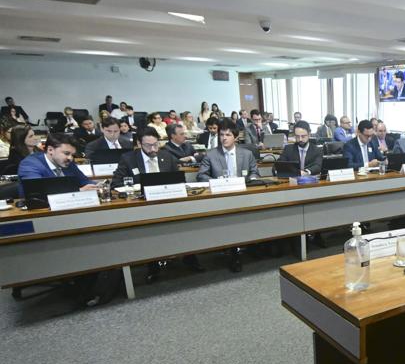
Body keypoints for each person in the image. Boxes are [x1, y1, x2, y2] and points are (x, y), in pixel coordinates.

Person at [112, 127, 204, 280]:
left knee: (185, 222)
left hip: (169, 202)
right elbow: (115, 183)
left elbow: (179, 179)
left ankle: (190, 257)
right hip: (142, 206)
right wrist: (134, 187)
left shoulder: (166, 156)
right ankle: (152, 265)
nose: (153, 149)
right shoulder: (128, 158)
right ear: (139, 144)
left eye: (156, 144)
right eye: (148, 145)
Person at [197, 118, 259, 272]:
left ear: (236, 137)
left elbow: (255, 173)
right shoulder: (211, 154)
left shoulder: (247, 153)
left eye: (228, 135)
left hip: (244, 196)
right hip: (221, 198)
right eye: (221, 135)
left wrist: (250, 181)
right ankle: (233, 251)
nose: (224, 138)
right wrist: (217, 184)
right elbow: (201, 176)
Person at [17, 133, 97, 193]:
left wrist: (97, 186)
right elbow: (37, 193)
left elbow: (84, 181)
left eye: (72, 154)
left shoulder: (68, 162)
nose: (70, 158)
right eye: (66, 153)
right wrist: (78, 191)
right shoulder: (30, 164)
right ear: (50, 150)